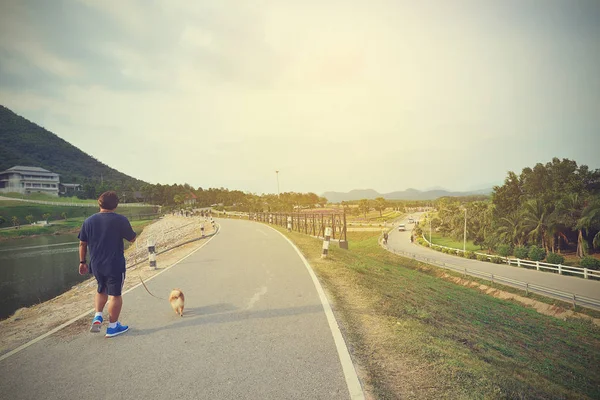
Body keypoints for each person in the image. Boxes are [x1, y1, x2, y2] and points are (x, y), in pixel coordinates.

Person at [78, 191, 137, 338]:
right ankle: (112, 327)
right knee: (115, 295)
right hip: (114, 263)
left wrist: (82, 262)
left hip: (96, 264)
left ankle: (98, 315)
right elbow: (132, 238)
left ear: (99, 203)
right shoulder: (120, 220)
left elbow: (82, 243)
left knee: (101, 289)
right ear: (116, 205)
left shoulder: (88, 221)